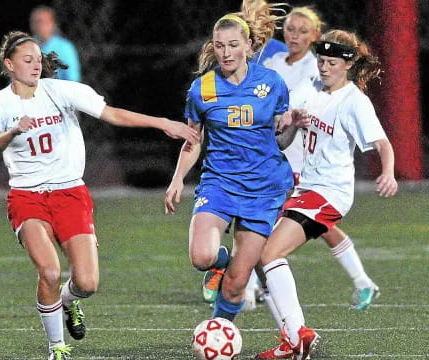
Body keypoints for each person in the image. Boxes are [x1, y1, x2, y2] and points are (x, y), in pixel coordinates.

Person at [0, 31, 199, 360]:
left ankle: (68, 302)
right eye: (28, 61)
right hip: (28, 197)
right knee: (51, 272)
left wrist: (162, 123)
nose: (36, 66)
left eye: (39, 60)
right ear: (9, 65)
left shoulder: (62, 91)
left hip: (70, 193)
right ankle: (57, 349)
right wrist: (14, 130)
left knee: (87, 282)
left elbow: (111, 113)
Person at [254, 29, 398, 360]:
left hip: (330, 193)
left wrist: (388, 172)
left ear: (347, 65)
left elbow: (383, 144)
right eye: (320, 60)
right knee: (260, 254)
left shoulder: (355, 102)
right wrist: (289, 119)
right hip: (305, 188)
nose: (323, 67)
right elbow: (284, 126)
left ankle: (299, 336)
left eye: (331, 63)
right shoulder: (311, 86)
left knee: (270, 253)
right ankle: (293, 339)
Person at [164, 10, 309, 325]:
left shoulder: (271, 84)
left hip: (263, 188)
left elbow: (280, 141)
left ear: (248, 47)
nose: (225, 53)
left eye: (232, 45)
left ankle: (219, 331)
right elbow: (194, 140)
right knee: (202, 256)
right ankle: (221, 261)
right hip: (220, 183)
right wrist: (177, 179)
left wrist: (293, 126)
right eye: (219, 46)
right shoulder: (201, 89)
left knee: (237, 285)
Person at [30, 5, 81, 82]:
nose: (42, 26)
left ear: (53, 24)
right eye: (38, 22)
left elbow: (73, 78)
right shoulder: (24, 47)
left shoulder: (65, 47)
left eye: (46, 22)